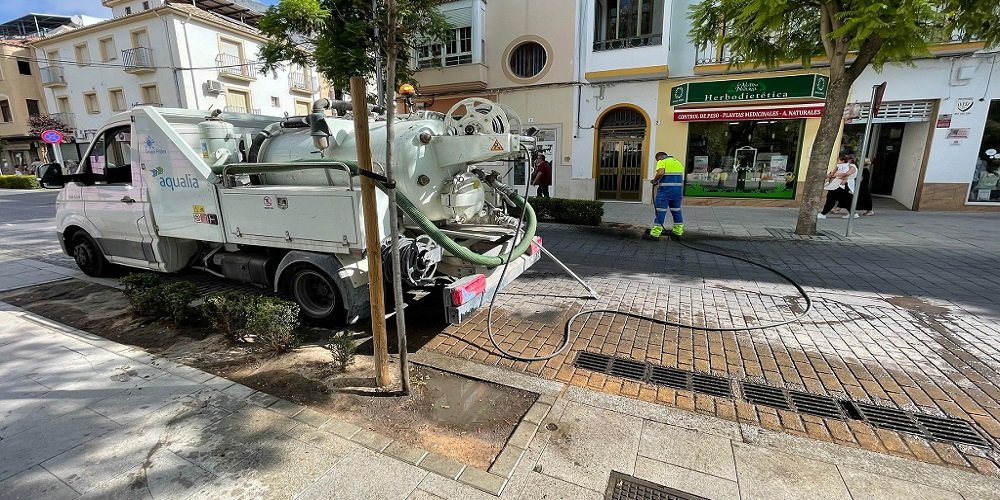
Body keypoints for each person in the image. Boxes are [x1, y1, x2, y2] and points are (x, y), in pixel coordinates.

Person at [643, 151, 685, 240]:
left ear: (660, 158)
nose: (657, 162)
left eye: (657, 160)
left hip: (665, 192)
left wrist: (654, 181)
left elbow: (660, 173)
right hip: (677, 193)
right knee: (676, 212)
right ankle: (678, 233)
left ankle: (655, 234)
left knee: (660, 212)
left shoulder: (662, 161)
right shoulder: (677, 162)